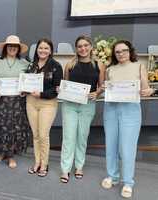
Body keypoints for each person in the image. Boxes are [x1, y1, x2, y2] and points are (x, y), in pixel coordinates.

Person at [101, 40, 154, 198]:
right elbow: (106, 89)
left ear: (130, 51)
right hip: (111, 109)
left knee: (127, 147)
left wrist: (148, 91)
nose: (121, 54)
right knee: (111, 144)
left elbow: (145, 88)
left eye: (124, 50)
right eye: (117, 52)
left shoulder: (139, 66)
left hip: (130, 110)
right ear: (114, 54)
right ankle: (113, 175)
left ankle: (128, 182)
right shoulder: (110, 69)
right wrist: (104, 88)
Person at [59, 35, 105, 183]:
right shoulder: (70, 64)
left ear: (91, 46)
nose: (83, 48)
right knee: (68, 137)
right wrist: (61, 88)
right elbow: (65, 84)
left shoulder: (99, 64)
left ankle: (79, 166)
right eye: (80, 46)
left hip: (87, 105)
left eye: (86, 45)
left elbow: (102, 86)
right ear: (76, 48)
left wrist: (96, 93)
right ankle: (65, 169)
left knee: (82, 137)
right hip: (69, 105)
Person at [0, 35, 30, 169]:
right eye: (10, 46)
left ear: (18, 49)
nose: (12, 48)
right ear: (5, 47)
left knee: (14, 127)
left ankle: (11, 155)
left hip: (17, 101)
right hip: (1, 100)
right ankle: (1, 152)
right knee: (1, 125)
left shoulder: (24, 63)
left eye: (15, 46)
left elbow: (29, 82)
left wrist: (26, 90)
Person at [25, 38, 63, 177]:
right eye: (40, 48)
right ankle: (37, 162)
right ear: (37, 50)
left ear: (51, 51)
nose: (43, 50)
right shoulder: (31, 65)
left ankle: (44, 164)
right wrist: (24, 90)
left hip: (48, 103)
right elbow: (26, 83)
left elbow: (57, 89)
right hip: (31, 102)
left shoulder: (56, 66)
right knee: (35, 135)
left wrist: (41, 94)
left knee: (43, 135)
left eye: (46, 48)